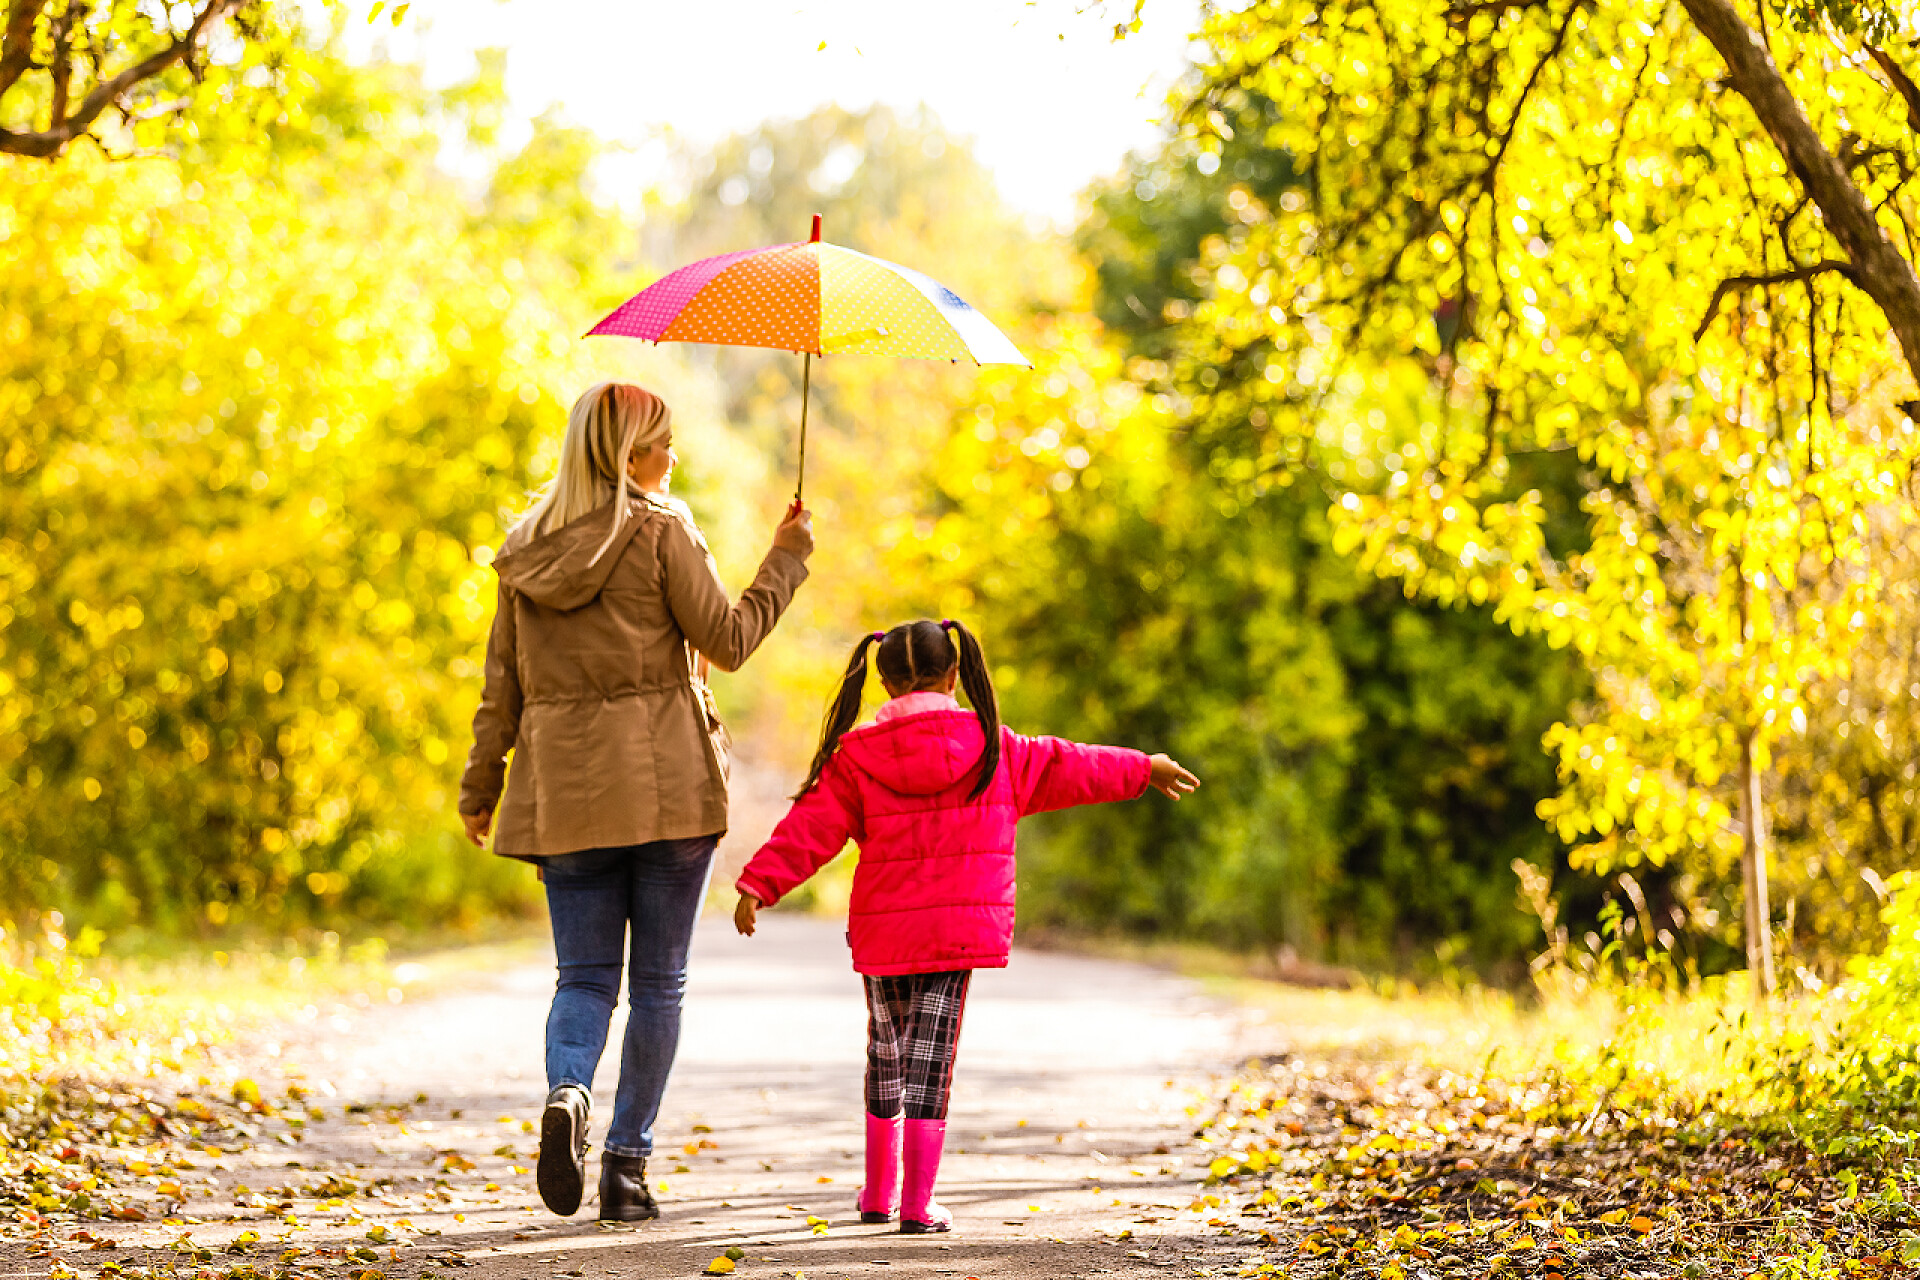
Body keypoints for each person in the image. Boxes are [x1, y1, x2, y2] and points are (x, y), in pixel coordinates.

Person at [458, 382, 814, 1223]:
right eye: (662, 443)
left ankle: (569, 1089)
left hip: (564, 794)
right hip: (668, 793)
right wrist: (787, 557)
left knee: (584, 977)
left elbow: (501, 686)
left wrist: (481, 786)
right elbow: (729, 641)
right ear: (627, 456)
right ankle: (625, 1169)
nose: (673, 456)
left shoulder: (525, 550)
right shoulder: (662, 531)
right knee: (658, 985)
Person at [731, 619, 1199, 1234]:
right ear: (953, 674)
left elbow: (811, 827)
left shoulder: (857, 757)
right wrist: (1142, 768)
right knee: (931, 1058)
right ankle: (917, 1205)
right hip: (957, 931)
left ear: (883, 682)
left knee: (886, 1051)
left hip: (885, 932)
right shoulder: (995, 748)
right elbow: (1071, 765)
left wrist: (758, 884)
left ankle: (878, 1193)